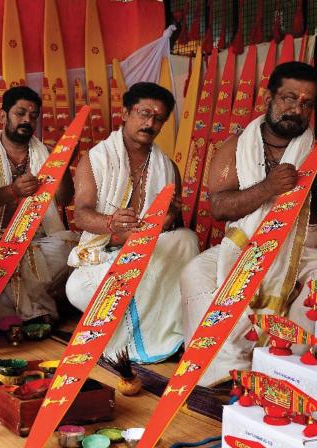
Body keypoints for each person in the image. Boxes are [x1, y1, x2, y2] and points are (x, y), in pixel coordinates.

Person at [180, 62, 317, 386]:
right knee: (194, 273)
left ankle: (288, 373)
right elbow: (218, 207)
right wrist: (267, 188)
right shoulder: (236, 146)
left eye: (306, 103)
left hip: (303, 251)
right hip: (244, 245)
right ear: (269, 98)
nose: (296, 109)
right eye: (289, 98)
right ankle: (223, 373)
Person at [66, 82, 199, 363]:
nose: (150, 123)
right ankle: (132, 339)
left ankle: (163, 338)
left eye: (158, 118)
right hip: (105, 255)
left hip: (149, 255)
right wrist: (111, 223)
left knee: (186, 239)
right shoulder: (95, 159)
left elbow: (172, 231)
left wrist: (169, 220)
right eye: (143, 113)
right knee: (75, 289)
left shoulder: (167, 167)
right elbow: (81, 214)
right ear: (125, 113)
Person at [0, 86, 77, 325]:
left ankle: (10, 315)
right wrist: (12, 191)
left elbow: (64, 199)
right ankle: (35, 315)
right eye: (20, 113)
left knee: (72, 250)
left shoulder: (47, 154)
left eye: (33, 115)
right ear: (4, 115)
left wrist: (64, 165)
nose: (28, 120)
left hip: (39, 238)